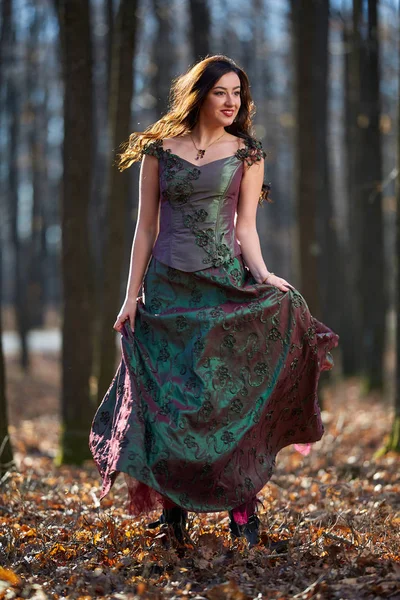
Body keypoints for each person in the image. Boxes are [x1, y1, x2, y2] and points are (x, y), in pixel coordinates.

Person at [89, 54, 339, 548]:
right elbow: (146, 229)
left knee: (226, 401)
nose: (231, 102)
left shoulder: (247, 153)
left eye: (238, 94)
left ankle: (243, 512)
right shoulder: (158, 149)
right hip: (165, 289)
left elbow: (245, 227)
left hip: (224, 285)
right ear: (200, 94)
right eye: (221, 92)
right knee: (171, 400)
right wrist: (130, 295)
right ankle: (173, 511)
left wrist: (265, 275)